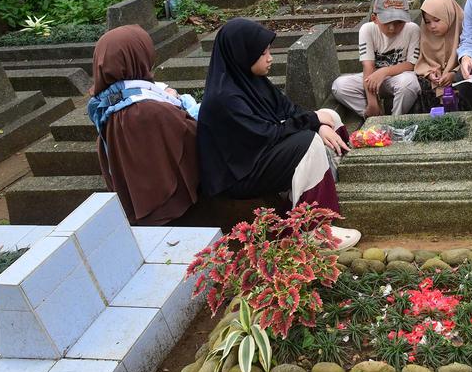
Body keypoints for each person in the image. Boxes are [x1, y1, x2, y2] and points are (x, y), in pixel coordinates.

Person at [197, 18, 360, 248]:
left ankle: (337, 176)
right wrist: (312, 123)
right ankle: (313, 229)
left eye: (268, 50)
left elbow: (288, 110)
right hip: (241, 174)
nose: (270, 57)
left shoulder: (252, 81)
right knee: (307, 142)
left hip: (260, 154)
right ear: (242, 55)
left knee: (328, 116)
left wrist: (318, 121)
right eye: (262, 53)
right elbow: (267, 133)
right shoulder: (224, 99)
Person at [87, 25, 201, 226]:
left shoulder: (108, 104)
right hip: (170, 210)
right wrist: (183, 107)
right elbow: (193, 136)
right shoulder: (148, 110)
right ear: (136, 57)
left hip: (138, 205)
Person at [332, 0, 422, 116]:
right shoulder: (367, 29)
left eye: (398, 22)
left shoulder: (412, 29)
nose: (392, 28)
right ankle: (373, 116)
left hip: (399, 78)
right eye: (387, 22)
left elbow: (411, 64)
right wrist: (372, 102)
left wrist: (384, 71)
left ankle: (395, 120)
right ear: (375, 18)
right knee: (339, 86)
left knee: (409, 84)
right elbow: (368, 66)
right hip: (372, 79)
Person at [413, 0, 464, 112]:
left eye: (436, 20)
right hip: (436, 81)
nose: (432, 26)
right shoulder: (426, 35)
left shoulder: (465, 29)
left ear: (449, 15)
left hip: (459, 75)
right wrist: (430, 73)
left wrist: (453, 74)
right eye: (427, 22)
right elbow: (423, 60)